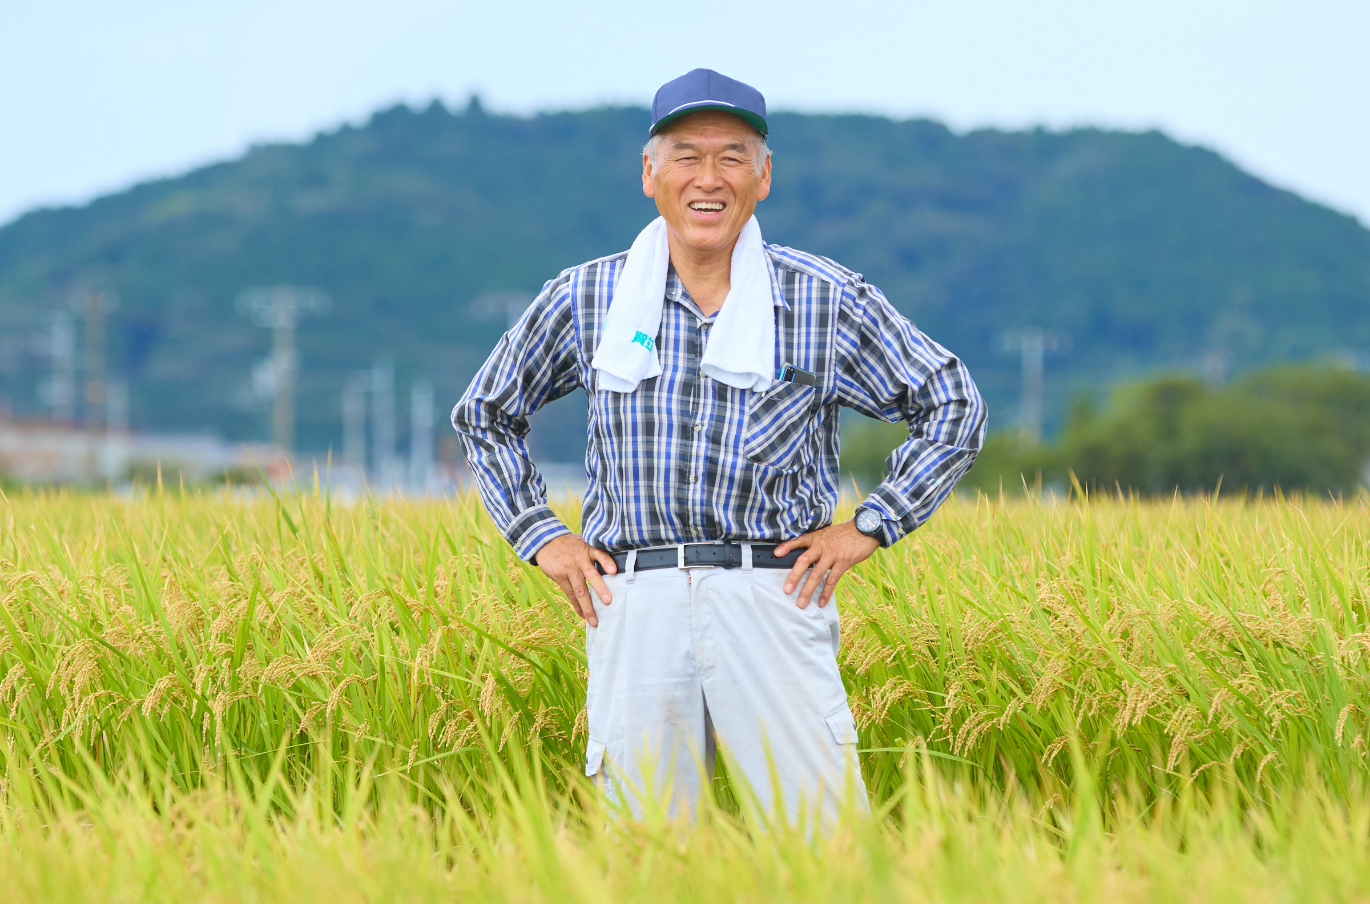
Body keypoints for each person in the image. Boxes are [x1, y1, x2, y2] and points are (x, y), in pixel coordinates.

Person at [452, 68, 986, 822]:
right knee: (644, 848)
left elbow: (952, 402)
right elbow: (486, 411)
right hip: (632, 596)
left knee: (820, 833)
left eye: (733, 157)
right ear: (649, 173)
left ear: (764, 176)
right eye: (686, 156)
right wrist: (544, 538)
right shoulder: (588, 297)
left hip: (773, 590)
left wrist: (870, 526)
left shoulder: (820, 297)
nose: (709, 179)